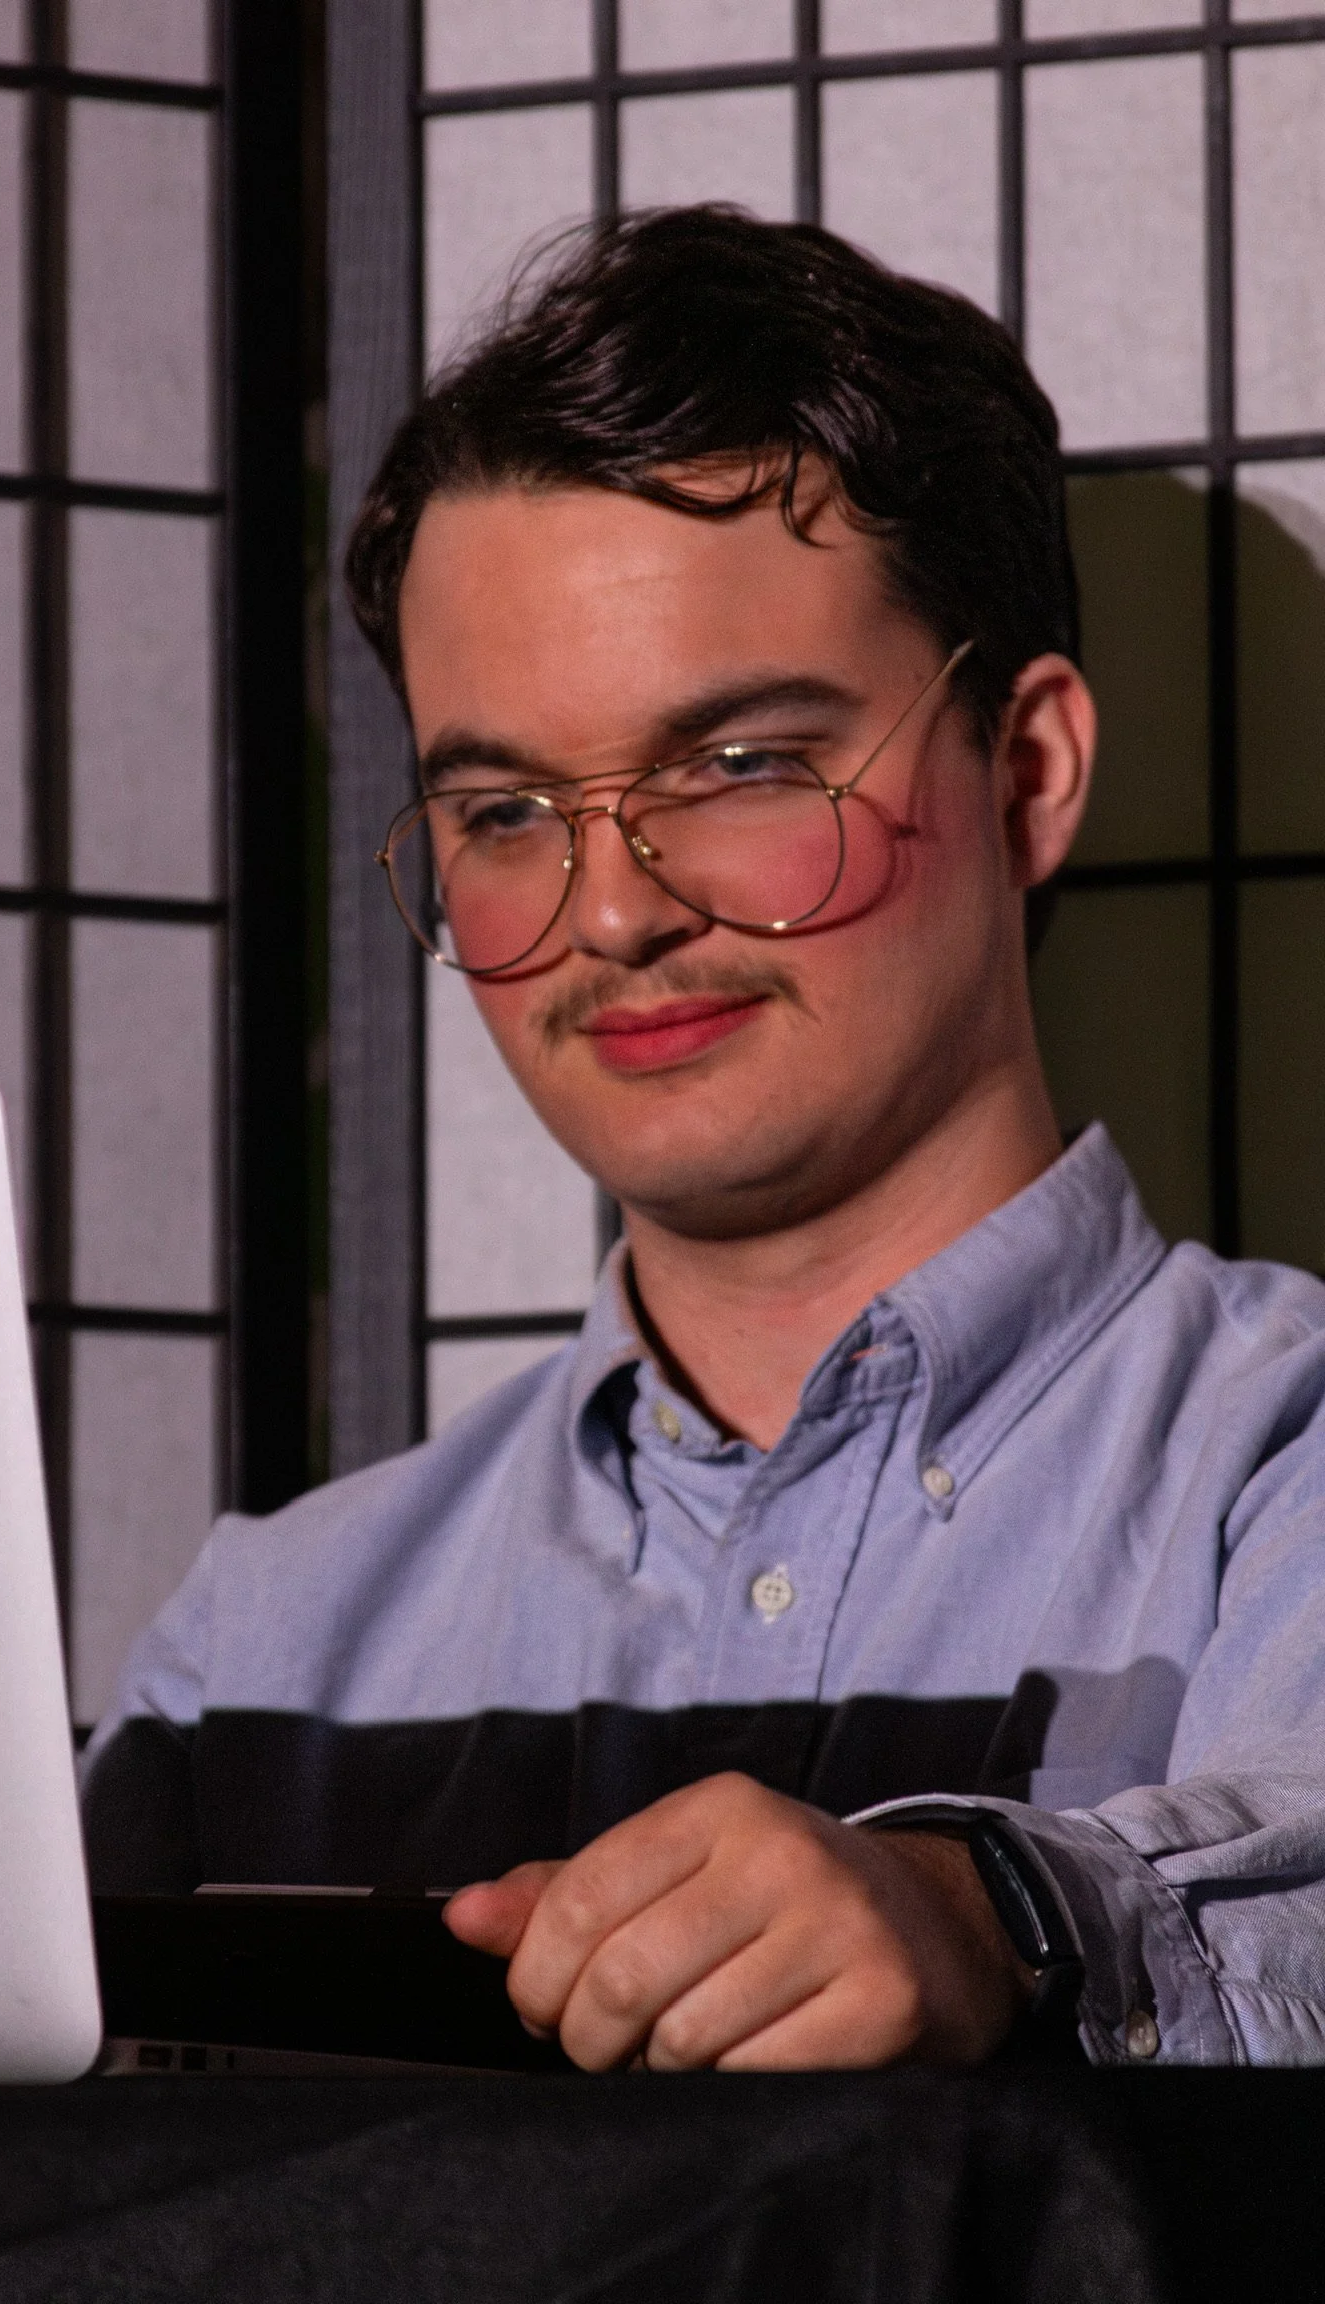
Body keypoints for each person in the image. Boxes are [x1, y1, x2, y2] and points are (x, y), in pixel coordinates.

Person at [83, 207, 1325, 2070]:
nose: (610, 912)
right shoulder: (268, 1641)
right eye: (504, 811)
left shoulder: (1282, 1468)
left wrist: (998, 1914)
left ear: (1028, 771)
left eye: (740, 768)